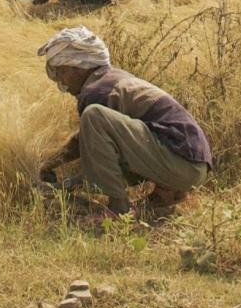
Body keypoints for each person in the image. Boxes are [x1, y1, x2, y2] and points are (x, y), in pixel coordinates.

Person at [37, 27, 212, 223]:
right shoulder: (110, 79)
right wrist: (57, 169)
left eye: (61, 72)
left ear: (79, 67)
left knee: (93, 116)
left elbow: (87, 144)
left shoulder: (97, 92)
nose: (60, 81)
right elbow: (109, 147)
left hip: (182, 164)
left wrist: (51, 169)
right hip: (194, 165)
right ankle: (168, 193)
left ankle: (118, 208)